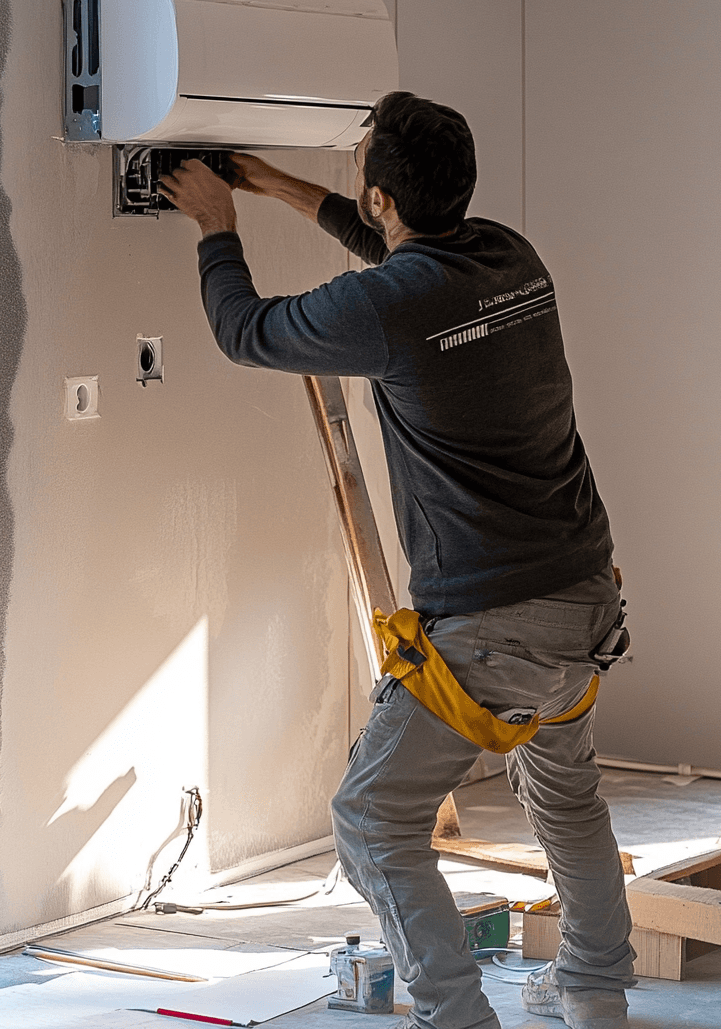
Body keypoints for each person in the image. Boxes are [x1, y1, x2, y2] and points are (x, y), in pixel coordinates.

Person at [159, 92, 635, 1029]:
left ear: (379, 195)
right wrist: (284, 187)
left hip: (492, 626)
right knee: (567, 796)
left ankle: (455, 1015)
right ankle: (593, 989)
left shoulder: (385, 308)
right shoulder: (509, 257)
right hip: (584, 596)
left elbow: (245, 329)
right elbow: (400, 258)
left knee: (373, 823)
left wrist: (217, 224)